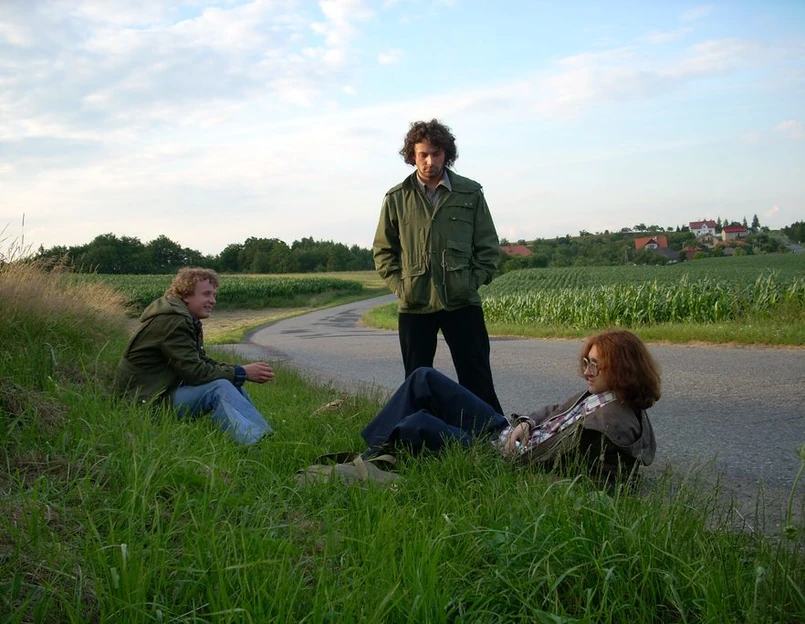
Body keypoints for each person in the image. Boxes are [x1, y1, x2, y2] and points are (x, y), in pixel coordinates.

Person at [361, 329, 659, 485]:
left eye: (595, 364)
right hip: (506, 433)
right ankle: (372, 452)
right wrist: (526, 423)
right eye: (586, 362)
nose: (587, 372)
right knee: (423, 377)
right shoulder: (600, 395)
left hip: (498, 459)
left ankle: (368, 461)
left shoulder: (612, 424)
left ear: (621, 368)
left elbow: (600, 478)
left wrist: (517, 473)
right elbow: (555, 410)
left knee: (417, 424)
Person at [373, 118, 503, 413]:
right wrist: (401, 287)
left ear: (447, 154)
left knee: (477, 377)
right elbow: (383, 251)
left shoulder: (470, 193)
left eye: (436, 153)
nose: (430, 161)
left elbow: (488, 248)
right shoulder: (397, 198)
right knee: (416, 379)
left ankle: (490, 432)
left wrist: (470, 282)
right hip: (415, 303)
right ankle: (417, 431)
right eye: (423, 154)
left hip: (462, 301)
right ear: (412, 155)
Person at [114, 267, 274, 445]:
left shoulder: (182, 317)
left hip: (157, 393)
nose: (212, 300)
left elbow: (200, 362)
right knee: (219, 387)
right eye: (206, 294)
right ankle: (253, 443)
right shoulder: (175, 321)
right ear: (185, 295)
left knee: (229, 381)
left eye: (214, 295)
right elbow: (196, 373)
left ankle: (262, 436)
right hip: (144, 404)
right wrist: (241, 372)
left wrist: (237, 372)